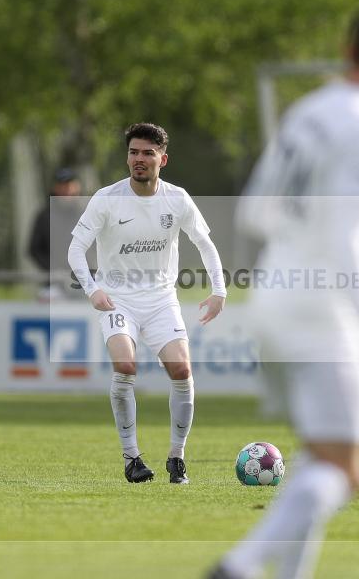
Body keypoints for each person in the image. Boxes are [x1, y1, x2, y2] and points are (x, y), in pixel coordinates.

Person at [211, 3, 359, 579]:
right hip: (325, 311)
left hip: (273, 299)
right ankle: (240, 566)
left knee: (315, 458)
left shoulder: (308, 111)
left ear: (348, 50)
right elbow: (346, 243)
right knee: (347, 470)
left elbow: (254, 211)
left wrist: (354, 241)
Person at [67, 122, 227, 483]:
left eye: (147, 153)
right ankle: (132, 458)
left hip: (160, 300)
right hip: (117, 300)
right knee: (125, 365)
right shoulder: (107, 198)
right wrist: (92, 289)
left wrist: (220, 291)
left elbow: (205, 244)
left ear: (162, 160)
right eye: (133, 152)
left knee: (182, 371)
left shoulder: (177, 199)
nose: (139, 159)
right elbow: (76, 249)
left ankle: (176, 458)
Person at [28, 167, 85, 300]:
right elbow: (34, 249)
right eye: (62, 185)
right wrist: (54, 269)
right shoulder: (45, 216)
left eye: (70, 184)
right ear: (55, 188)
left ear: (77, 186)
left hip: (87, 284)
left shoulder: (88, 213)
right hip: (55, 285)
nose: (67, 189)